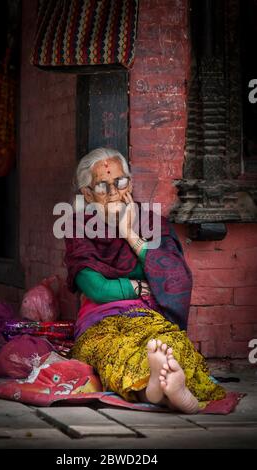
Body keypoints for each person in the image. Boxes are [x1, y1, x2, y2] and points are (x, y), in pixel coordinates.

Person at [64, 147, 225, 413]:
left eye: (120, 182)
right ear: (88, 194)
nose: (114, 192)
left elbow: (174, 277)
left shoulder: (152, 222)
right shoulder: (78, 228)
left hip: (148, 315)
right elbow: (97, 289)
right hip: (100, 321)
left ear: (131, 182)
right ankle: (155, 390)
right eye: (102, 186)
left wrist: (129, 234)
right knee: (115, 349)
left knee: (170, 343)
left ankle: (163, 389)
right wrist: (139, 283)